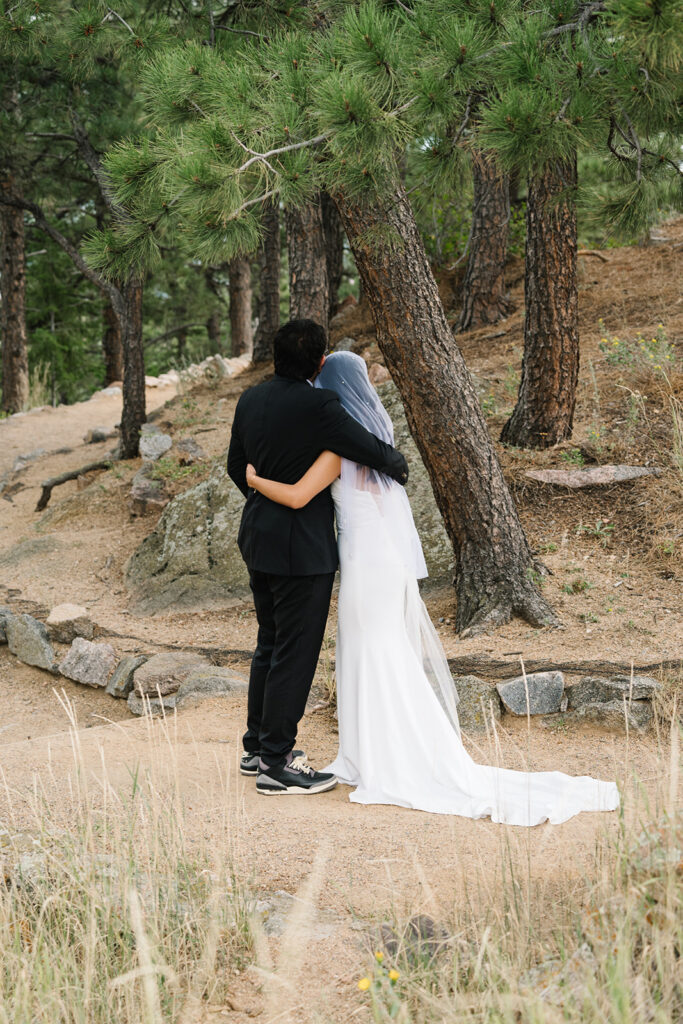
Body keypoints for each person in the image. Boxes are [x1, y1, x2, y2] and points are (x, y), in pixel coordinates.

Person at [245, 350, 620, 825]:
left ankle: (388, 758)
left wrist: (256, 479)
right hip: (379, 557)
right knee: (374, 649)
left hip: (367, 561)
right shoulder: (370, 437)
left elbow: (299, 495)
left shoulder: (339, 446)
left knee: (372, 649)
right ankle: (369, 752)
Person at [227, 321, 409, 796]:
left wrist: (263, 495)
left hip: (257, 540)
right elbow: (365, 447)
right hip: (301, 552)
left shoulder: (249, 400)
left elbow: (236, 468)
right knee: (295, 651)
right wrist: (396, 464)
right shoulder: (320, 405)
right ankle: (277, 763)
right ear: (319, 362)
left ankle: (255, 748)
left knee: (269, 642)